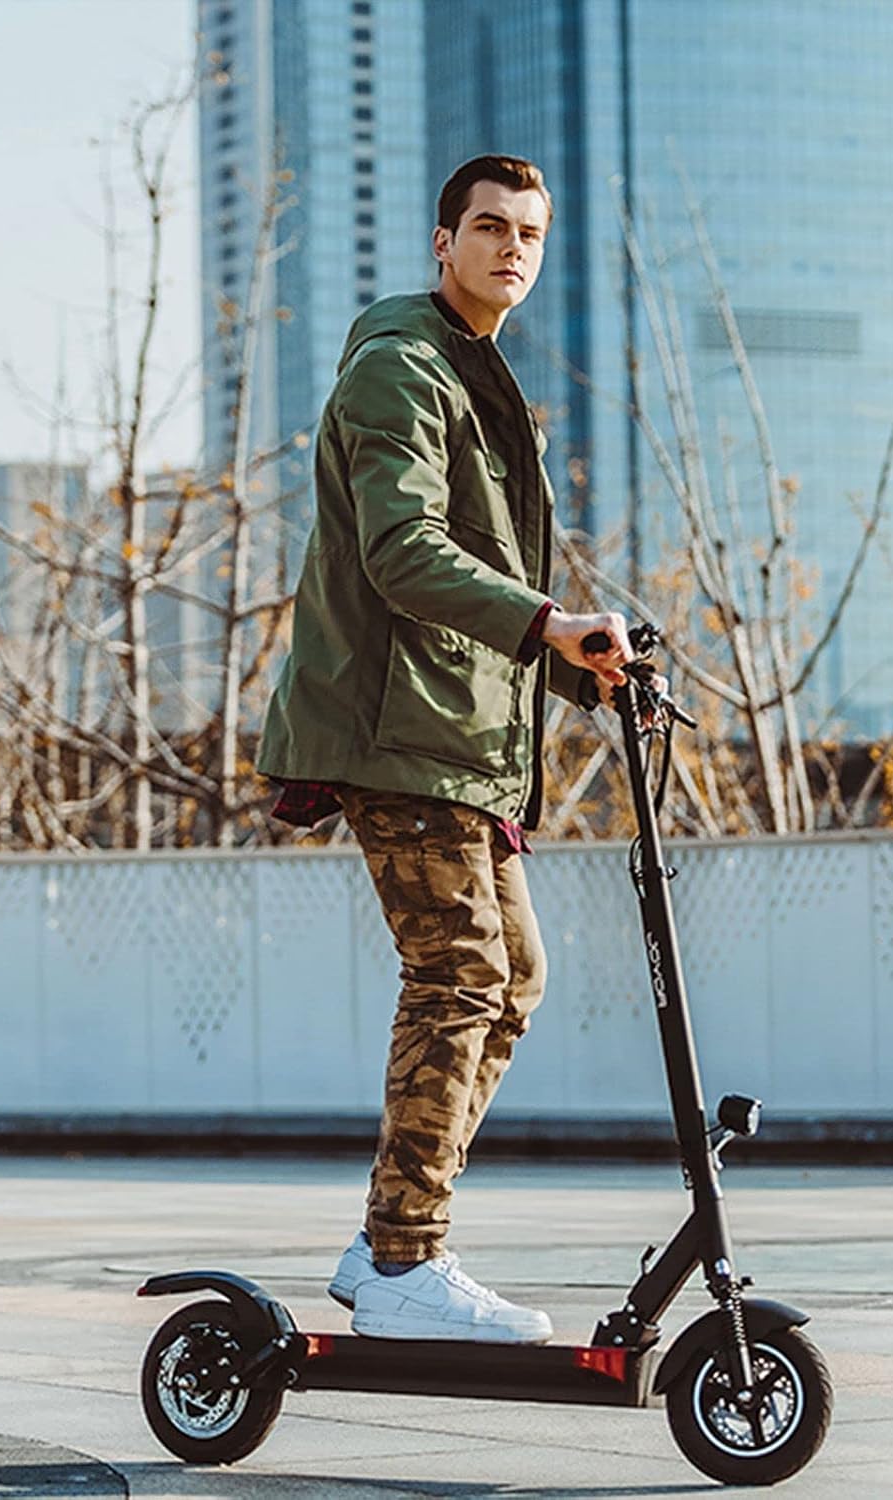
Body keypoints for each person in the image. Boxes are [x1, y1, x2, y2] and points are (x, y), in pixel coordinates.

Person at [256, 154, 635, 1345]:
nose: (510, 247)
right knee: (462, 972)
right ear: (442, 241)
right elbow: (402, 552)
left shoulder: (484, 377)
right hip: (395, 733)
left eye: (529, 229)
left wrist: (575, 659)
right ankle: (406, 1259)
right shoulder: (402, 365)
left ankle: (387, 1244)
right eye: (487, 227)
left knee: (514, 976)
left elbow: (490, 580)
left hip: (458, 738)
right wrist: (547, 622)